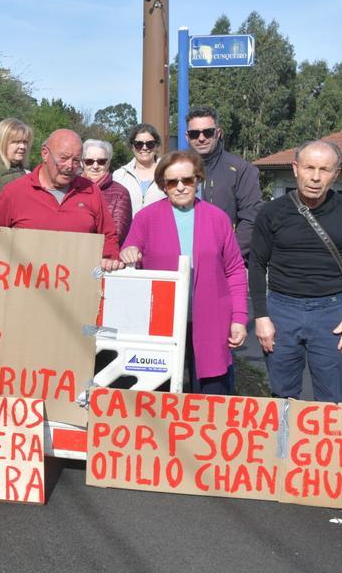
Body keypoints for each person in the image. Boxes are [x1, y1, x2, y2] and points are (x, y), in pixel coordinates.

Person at [249, 140, 342, 403]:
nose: (315, 177)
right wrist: (261, 316)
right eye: (309, 168)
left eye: (324, 169)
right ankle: (286, 445)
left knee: (330, 399)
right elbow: (257, 264)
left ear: (336, 173)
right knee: (282, 397)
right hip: (281, 310)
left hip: (333, 314)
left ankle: (327, 444)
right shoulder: (271, 212)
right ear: (296, 169)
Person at [120, 149, 247, 395]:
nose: (180, 187)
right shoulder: (146, 218)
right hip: (161, 323)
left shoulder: (218, 219)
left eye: (187, 180)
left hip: (211, 321)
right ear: (163, 185)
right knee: (160, 393)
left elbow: (234, 271)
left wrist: (239, 318)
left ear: (198, 180)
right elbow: (129, 249)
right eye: (172, 182)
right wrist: (129, 251)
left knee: (212, 393)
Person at [0, 129, 122, 270]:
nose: (69, 166)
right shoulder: (14, 192)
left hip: (77, 285)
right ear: (45, 154)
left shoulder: (91, 191)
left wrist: (109, 258)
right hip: (25, 285)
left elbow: (109, 236)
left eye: (76, 160)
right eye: (63, 158)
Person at [185, 106, 262, 259]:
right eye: (195, 134)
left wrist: (228, 256)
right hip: (183, 261)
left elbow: (251, 219)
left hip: (226, 262)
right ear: (187, 136)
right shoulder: (176, 169)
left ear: (218, 133)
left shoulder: (241, 169)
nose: (201, 138)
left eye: (208, 132)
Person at [81, 138, 132, 244]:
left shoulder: (120, 193)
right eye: (89, 161)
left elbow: (117, 235)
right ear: (82, 163)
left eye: (101, 161)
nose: (95, 166)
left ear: (108, 163)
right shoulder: (71, 188)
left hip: (105, 256)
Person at [113, 122, 167, 216]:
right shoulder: (119, 176)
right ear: (132, 147)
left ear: (157, 145)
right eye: (139, 144)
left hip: (160, 229)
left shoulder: (168, 173)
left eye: (150, 144)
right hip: (129, 230)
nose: (144, 148)